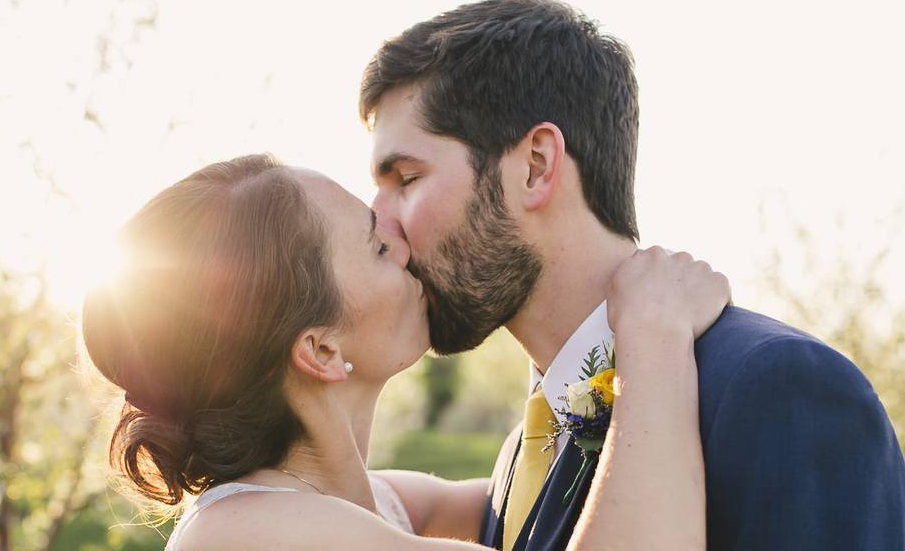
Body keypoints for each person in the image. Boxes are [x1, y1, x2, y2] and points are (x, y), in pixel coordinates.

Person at [361, 0, 905, 550]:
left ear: (536, 166)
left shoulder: (781, 388)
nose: (379, 224)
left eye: (406, 178)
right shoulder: (525, 450)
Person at [81, 153, 730, 550]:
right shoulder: (246, 538)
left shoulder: (374, 504)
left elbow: (540, 497)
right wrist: (652, 334)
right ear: (322, 349)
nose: (405, 242)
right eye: (378, 247)